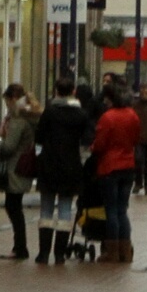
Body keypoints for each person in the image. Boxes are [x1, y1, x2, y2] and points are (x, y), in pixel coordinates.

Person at [32, 77, 94, 263]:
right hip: (71, 166)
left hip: (49, 164)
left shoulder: (50, 112)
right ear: (73, 92)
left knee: (47, 209)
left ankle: (43, 253)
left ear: (56, 91)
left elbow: (39, 137)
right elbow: (86, 141)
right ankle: (60, 254)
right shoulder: (81, 115)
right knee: (66, 209)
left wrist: (39, 156)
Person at [89, 85, 142, 263]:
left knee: (111, 210)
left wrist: (93, 148)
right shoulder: (132, 115)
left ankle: (111, 251)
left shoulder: (108, 117)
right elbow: (136, 138)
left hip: (110, 166)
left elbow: (100, 144)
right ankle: (125, 251)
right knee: (122, 209)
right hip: (128, 164)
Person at [0, 85, 39, 260]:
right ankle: (19, 247)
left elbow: (9, 147)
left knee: (13, 207)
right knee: (15, 207)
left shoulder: (18, 120)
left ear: (12, 99)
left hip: (15, 168)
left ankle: (20, 248)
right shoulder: (30, 116)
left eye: (7, 102)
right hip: (24, 167)